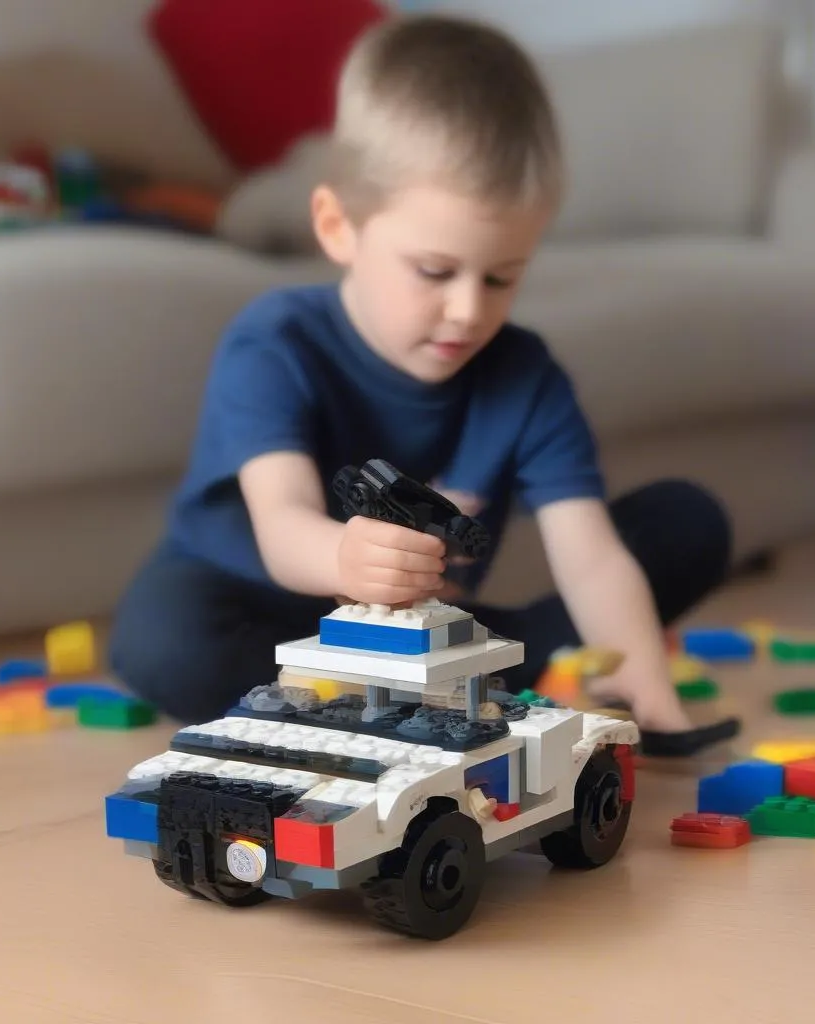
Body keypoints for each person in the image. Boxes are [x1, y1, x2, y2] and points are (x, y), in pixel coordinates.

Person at [109, 12, 739, 755]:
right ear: (339, 226)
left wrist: (645, 688)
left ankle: (448, 686)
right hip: (260, 611)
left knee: (687, 523)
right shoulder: (275, 343)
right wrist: (345, 560)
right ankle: (391, 702)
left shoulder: (524, 375)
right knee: (167, 638)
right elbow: (282, 526)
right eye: (436, 272)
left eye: (502, 277)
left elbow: (591, 555)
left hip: (427, 637)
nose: (470, 310)